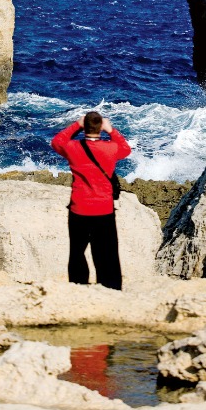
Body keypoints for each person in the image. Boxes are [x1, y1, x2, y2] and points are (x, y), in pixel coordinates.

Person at [51, 110, 131, 290]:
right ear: (100, 128)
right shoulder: (110, 148)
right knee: (107, 252)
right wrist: (111, 130)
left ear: (84, 127)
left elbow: (57, 142)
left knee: (77, 252)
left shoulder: (73, 147)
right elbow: (126, 149)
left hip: (79, 207)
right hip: (104, 209)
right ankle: (110, 288)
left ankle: (79, 286)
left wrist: (76, 125)